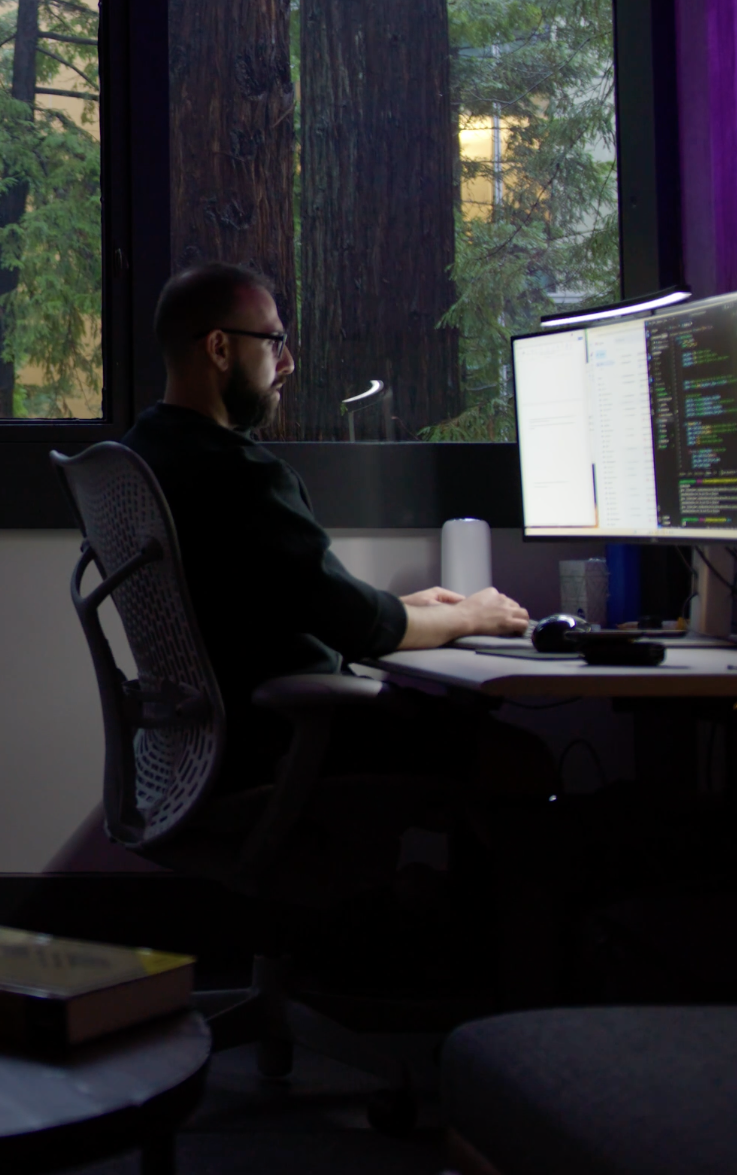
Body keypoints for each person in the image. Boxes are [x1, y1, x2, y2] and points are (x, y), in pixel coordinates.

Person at [122, 261, 540, 793]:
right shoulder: (240, 476)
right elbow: (353, 627)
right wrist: (473, 615)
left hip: (210, 742)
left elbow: (293, 600)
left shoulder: (147, 450)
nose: (288, 362)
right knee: (519, 759)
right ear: (220, 348)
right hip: (288, 739)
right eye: (274, 342)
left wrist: (409, 609)